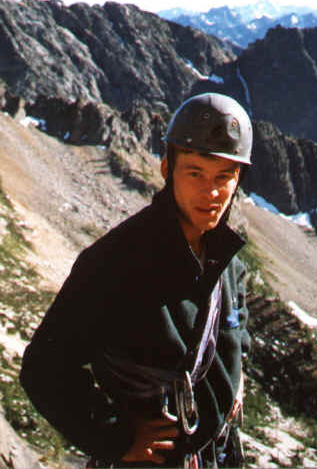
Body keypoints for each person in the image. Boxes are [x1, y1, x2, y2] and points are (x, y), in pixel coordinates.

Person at [20, 92, 253, 468]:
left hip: (214, 456)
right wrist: (115, 436)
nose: (211, 192)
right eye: (195, 173)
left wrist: (236, 375)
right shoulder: (114, 262)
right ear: (167, 169)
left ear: (238, 178)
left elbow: (238, 328)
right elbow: (43, 368)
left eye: (224, 176)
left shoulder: (227, 260)